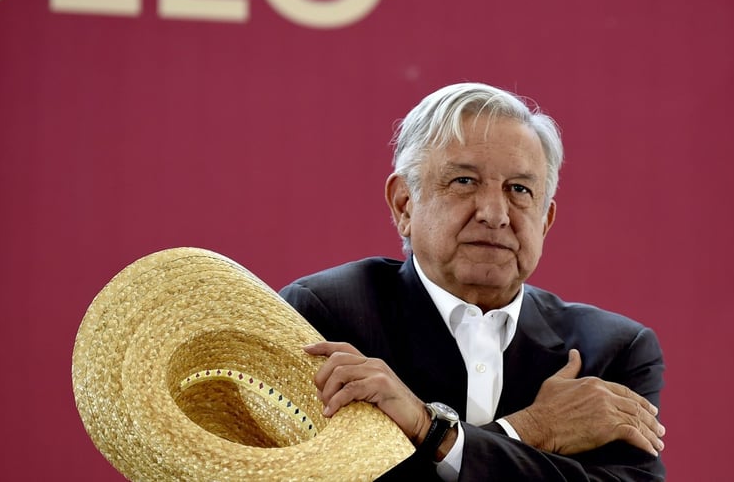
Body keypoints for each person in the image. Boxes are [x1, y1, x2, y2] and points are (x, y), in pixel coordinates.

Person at [280, 83, 666, 481]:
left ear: (545, 221)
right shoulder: (324, 314)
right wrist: (532, 430)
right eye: (464, 181)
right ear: (404, 204)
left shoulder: (610, 354)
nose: (494, 214)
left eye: (519, 190)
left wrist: (431, 432)